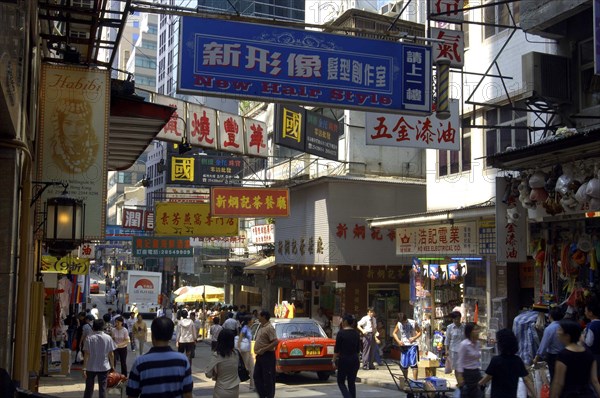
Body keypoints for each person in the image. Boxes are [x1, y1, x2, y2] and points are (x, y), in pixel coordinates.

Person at [126, 317, 193, 398]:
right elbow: (188, 394)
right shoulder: (183, 361)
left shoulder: (140, 362)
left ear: (153, 335)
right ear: (171, 335)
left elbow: (132, 395)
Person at [478, 328, 536, 398]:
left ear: (501, 344)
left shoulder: (496, 360)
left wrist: (478, 385)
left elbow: (488, 377)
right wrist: (536, 395)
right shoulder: (517, 360)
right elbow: (526, 380)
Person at [551, 319, 600, 398]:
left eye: (560, 329)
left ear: (567, 335)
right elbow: (594, 381)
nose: (557, 332)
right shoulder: (589, 354)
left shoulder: (563, 355)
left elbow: (558, 383)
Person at [50, 98, 99, 174]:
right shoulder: (53, 149)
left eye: (80, 124)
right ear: (60, 124)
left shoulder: (94, 150)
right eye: (68, 123)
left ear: (87, 125)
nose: (74, 130)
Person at [82, 319, 117, 398]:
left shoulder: (89, 338)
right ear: (103, 327)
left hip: (90, 367)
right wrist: (112, 366)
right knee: (103, 388)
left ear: (93, 327)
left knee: (89, 388)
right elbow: (111, 354)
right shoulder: (108, 338)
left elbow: (86, 354)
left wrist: (84, 368)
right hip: (104, 367)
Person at [206, 328, 241, 397]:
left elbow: (208, 373)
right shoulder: (236, 353)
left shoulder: (217, 355)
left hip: (221, 390)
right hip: (235, 390)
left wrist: (215, 373)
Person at [332, 314, 361, 398]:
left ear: (345, 322)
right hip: (354, 360)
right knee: (351, 383)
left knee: (341, 382)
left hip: (344, 360)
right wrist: (358, 360)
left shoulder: (341, 333)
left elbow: (337, 350)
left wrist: (333, 360)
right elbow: (358, 350)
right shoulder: (356, 333)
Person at [534, 306, 565, 379]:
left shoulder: (549, 329)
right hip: (565, 354)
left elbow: (543, 346)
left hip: (553, 356)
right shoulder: (565, 326)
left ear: (550, 316)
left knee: (554, 377)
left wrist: (536, 358)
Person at [253, 310, 278, 398]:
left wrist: (264, 349)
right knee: (256, 376)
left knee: (268, 378)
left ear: (263, 317)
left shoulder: (269, 328)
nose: (258, 317)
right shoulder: (261, 327)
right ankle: (263, 395)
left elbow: (275, 342)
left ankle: (269, 395)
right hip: (260, 356)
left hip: (267, 356)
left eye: (259, 315)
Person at [392, 312, 422, 379]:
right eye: (401, 322)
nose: (402, 323)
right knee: (404, 365)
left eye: (403, 322)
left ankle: (415, 380)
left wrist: (414, 338)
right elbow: (394, 333)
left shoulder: (413, 322)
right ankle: (406, 380)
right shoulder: (399, 324)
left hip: (412, 345)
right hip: (403, 345)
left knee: (413, 364)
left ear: (405, 319)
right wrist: (398, 341)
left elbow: (420, 332)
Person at [456, 322, 482, 398]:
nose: (477, 331)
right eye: (475, 329)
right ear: (470, 332)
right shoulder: (464, 344)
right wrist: (460, 377)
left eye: (478, 329)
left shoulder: (478, 343)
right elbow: (460, 361)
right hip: (467, 373)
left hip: (476, 372)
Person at [583, 298, 600, 379]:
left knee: (593, 377)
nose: (584, 313)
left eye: (586, 311)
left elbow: (589, 343)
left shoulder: (591, 326)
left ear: (591, 313)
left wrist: (582, 338)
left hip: (593, 355)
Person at [237, 316, 255, 391]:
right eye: (252, 320)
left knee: (252, 368)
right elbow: (240, 339)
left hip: (248, 351)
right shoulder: (244, 329)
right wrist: (239, 349)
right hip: (245, 351)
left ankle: (252, 385)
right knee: (247, 368)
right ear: (249, 321)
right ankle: (252, 385)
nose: (253, 321)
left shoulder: (248, 328)